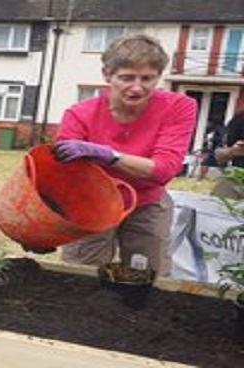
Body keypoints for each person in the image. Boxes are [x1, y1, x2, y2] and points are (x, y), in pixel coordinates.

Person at [50, 35, 197, 275]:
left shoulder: (178, 107)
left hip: (147, 202)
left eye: (148, 78)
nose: (137, 87)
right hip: (93, 203)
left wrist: (109, 155)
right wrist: (44, 229)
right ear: (107, 75)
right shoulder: (79, 115)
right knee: (79, 276)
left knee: (149, 277)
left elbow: (164, 170)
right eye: (127, 77)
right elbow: (62, 177)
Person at [212, 110, 244, 198]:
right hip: (237, 177)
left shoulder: (240, 117)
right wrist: (233, 151)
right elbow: (220, 154)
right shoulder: (240, 118)